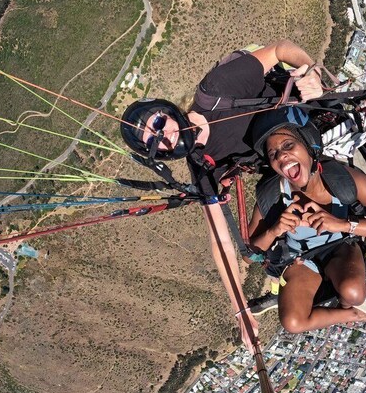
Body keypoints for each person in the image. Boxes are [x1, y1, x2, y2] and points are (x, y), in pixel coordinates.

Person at [120, 41, 325, 352]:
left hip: (304, 122)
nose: (164, 136)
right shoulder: (201, 165)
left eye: (159, 124)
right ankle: (292, 273)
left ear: (168, 111)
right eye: (153, 143)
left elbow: (281, 49)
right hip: (282, 170)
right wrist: (240, 309)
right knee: (252, 248)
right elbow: (220, 241)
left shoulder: (216, 91)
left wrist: (308, 71)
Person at [246, 106, 366, 334]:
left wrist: (342, 225)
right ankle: (350, 312)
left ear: (307, 145)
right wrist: (274, 230)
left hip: (341, 247)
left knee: (353, 292)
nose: (282, 156)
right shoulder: (273, 196)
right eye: (273, 154)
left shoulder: (342, 180)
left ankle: (347, 302)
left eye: (288, 145)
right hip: (300, 260)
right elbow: (249, 255)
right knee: (293, 323)